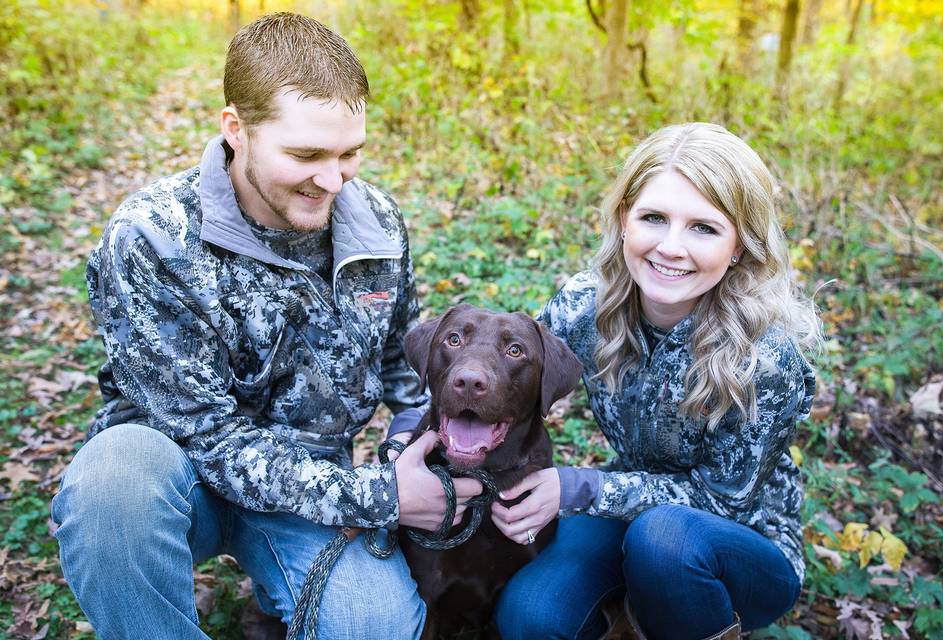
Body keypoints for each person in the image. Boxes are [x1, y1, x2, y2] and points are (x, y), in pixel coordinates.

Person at [51, 12, 481, 640]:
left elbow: (403, 369)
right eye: (306, 155)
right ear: (236, 130)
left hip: (313, 485)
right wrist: (380, 496)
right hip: (179, 478)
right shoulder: (151, 238)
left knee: (376, 626)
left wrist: (406, 454)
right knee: (111, 490)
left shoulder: (377, 222)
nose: (333, 181)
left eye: (350, 153)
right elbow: (208, 438)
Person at [492, 122, 821, 640]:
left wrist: (578, 487)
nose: (671, 247)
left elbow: (724, 502)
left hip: (742, 548)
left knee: (663, 538)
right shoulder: (586, 304)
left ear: (739, 245)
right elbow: (506, 383)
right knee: (531, 614)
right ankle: (632, 611)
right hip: (626, 511)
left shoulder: (764, 355)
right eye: (653, 218)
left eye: (704, 228)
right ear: (624, 220)